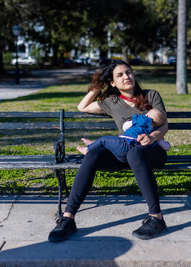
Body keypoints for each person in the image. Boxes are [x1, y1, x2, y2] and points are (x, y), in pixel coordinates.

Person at [48, 59, 169, 242]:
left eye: (128, 72)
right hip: (125, 150)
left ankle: (157, 219)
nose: (126, 77)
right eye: (119, 75)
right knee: (94, 154)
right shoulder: (111, 102)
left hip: (151, 150)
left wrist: (152, 137)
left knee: (135, 153)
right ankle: (68, 219)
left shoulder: (150, 95)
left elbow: (164, 125)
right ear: (112, 82)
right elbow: (82, 107)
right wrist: (98, 85)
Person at [76, 108, 171, 162]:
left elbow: (125, 126)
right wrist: (166, 144)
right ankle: (93, 145)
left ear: (147, 115)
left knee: (104, 140)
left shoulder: (141, 119)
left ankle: (88, 149)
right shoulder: (154, 132)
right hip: (131, 153)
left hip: (124, 143)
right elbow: (166, 146)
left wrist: (131, 122)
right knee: (108, 146)